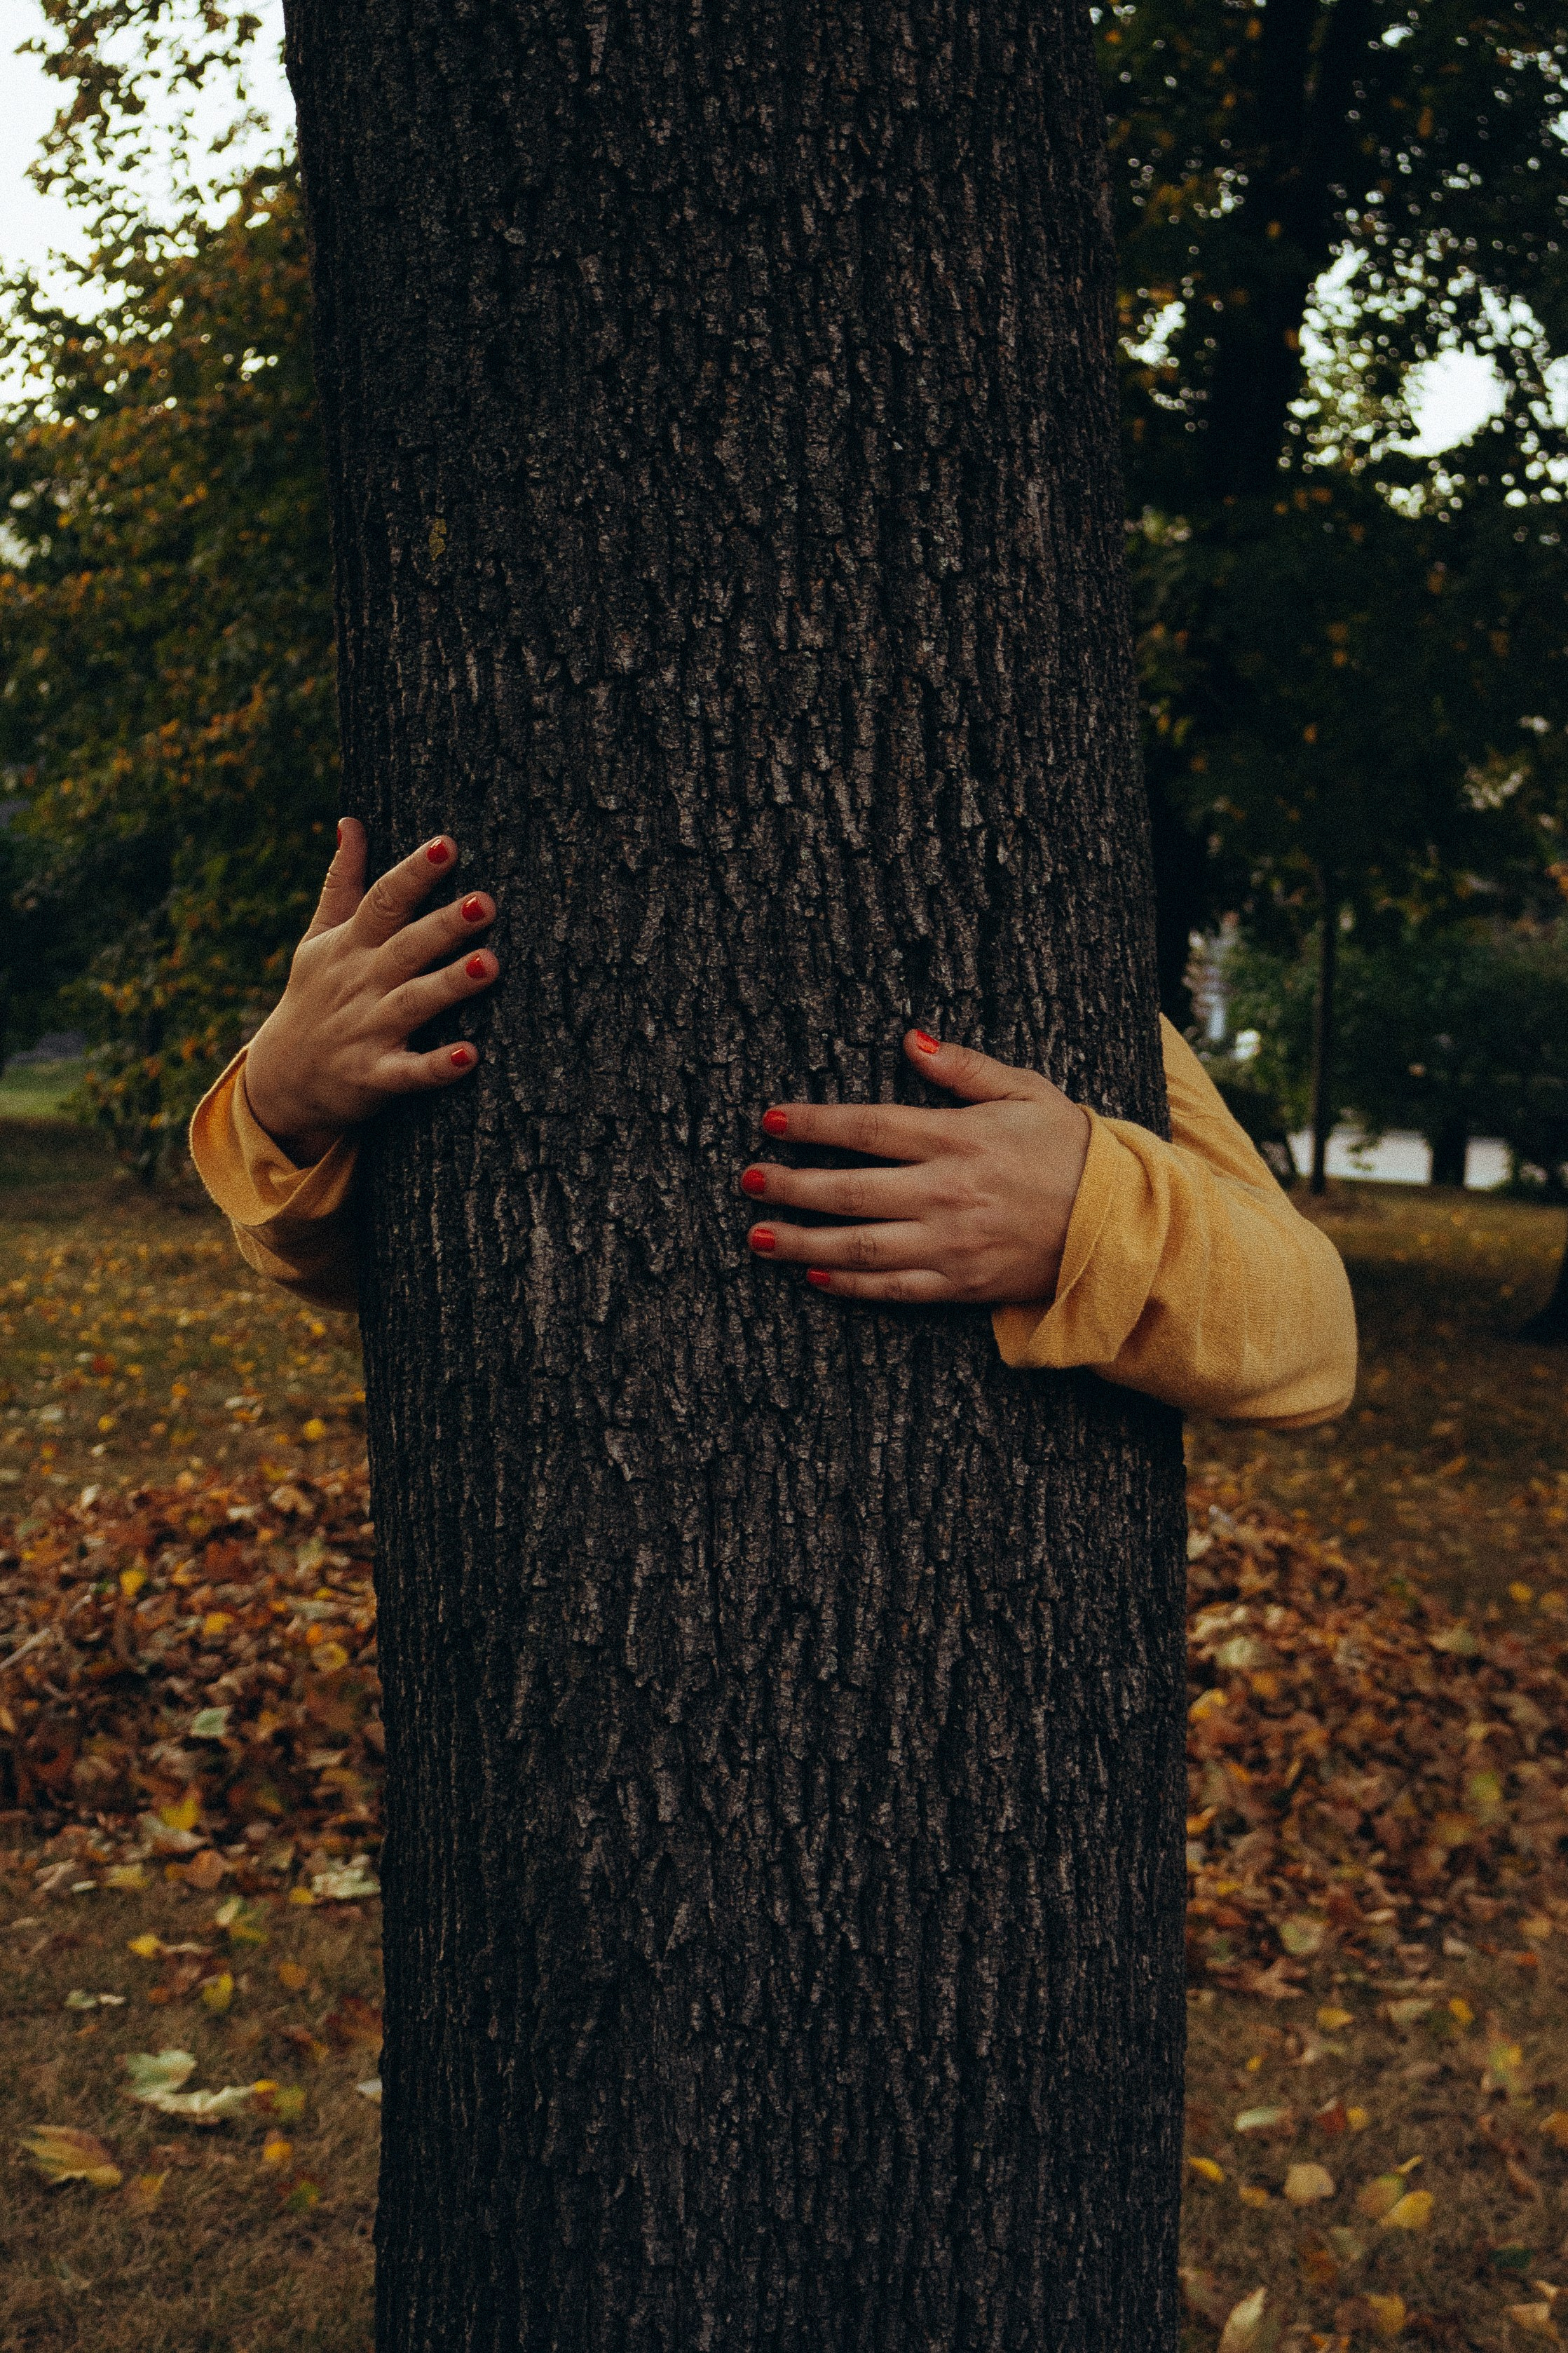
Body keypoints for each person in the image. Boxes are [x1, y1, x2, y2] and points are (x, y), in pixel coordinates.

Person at [191, 821, 1357, 1425]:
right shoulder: (489, 926)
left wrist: (1091, 1219)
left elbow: (1314, 1344)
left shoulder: (1067, 979)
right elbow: (370, 1261)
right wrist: (280, 1106)